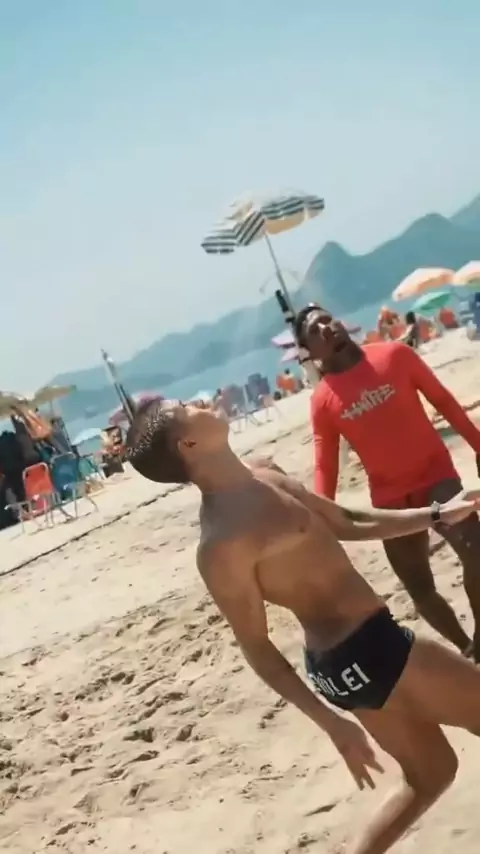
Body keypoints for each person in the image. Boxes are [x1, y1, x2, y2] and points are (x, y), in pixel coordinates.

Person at [126, 399, 480, 854]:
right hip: (366, 648)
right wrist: (331, 724)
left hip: (346, 662)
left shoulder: (265, 475)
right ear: (189, 444)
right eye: (189, 407)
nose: (205, 401)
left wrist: (435, 514)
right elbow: (256, 646)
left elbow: (347, 521)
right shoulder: (221, 544)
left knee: (430, 775)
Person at [295, 303, 480, 661]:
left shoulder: (395, 355)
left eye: (327, 320)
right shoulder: (323, 400)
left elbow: (443, 401)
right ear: (309, 352)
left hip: (436, 476)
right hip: (391, 500)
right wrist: (321, 517)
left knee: (477, 550)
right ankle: (467, 647)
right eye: (315, 331)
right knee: (419, 588)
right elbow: (325, 464)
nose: (326, 328)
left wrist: (478, 445)